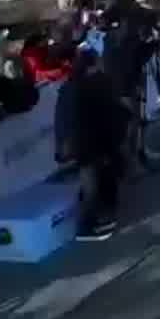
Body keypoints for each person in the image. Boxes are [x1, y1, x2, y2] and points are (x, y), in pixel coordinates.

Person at [56, 42, 127, 241]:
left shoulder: (72, 87)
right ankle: (85, 227)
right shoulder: (84, 88)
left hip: (80, 143)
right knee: (90, 184)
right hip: (83, 144)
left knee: (93, 181)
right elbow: (91, 118)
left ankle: (94, 218)